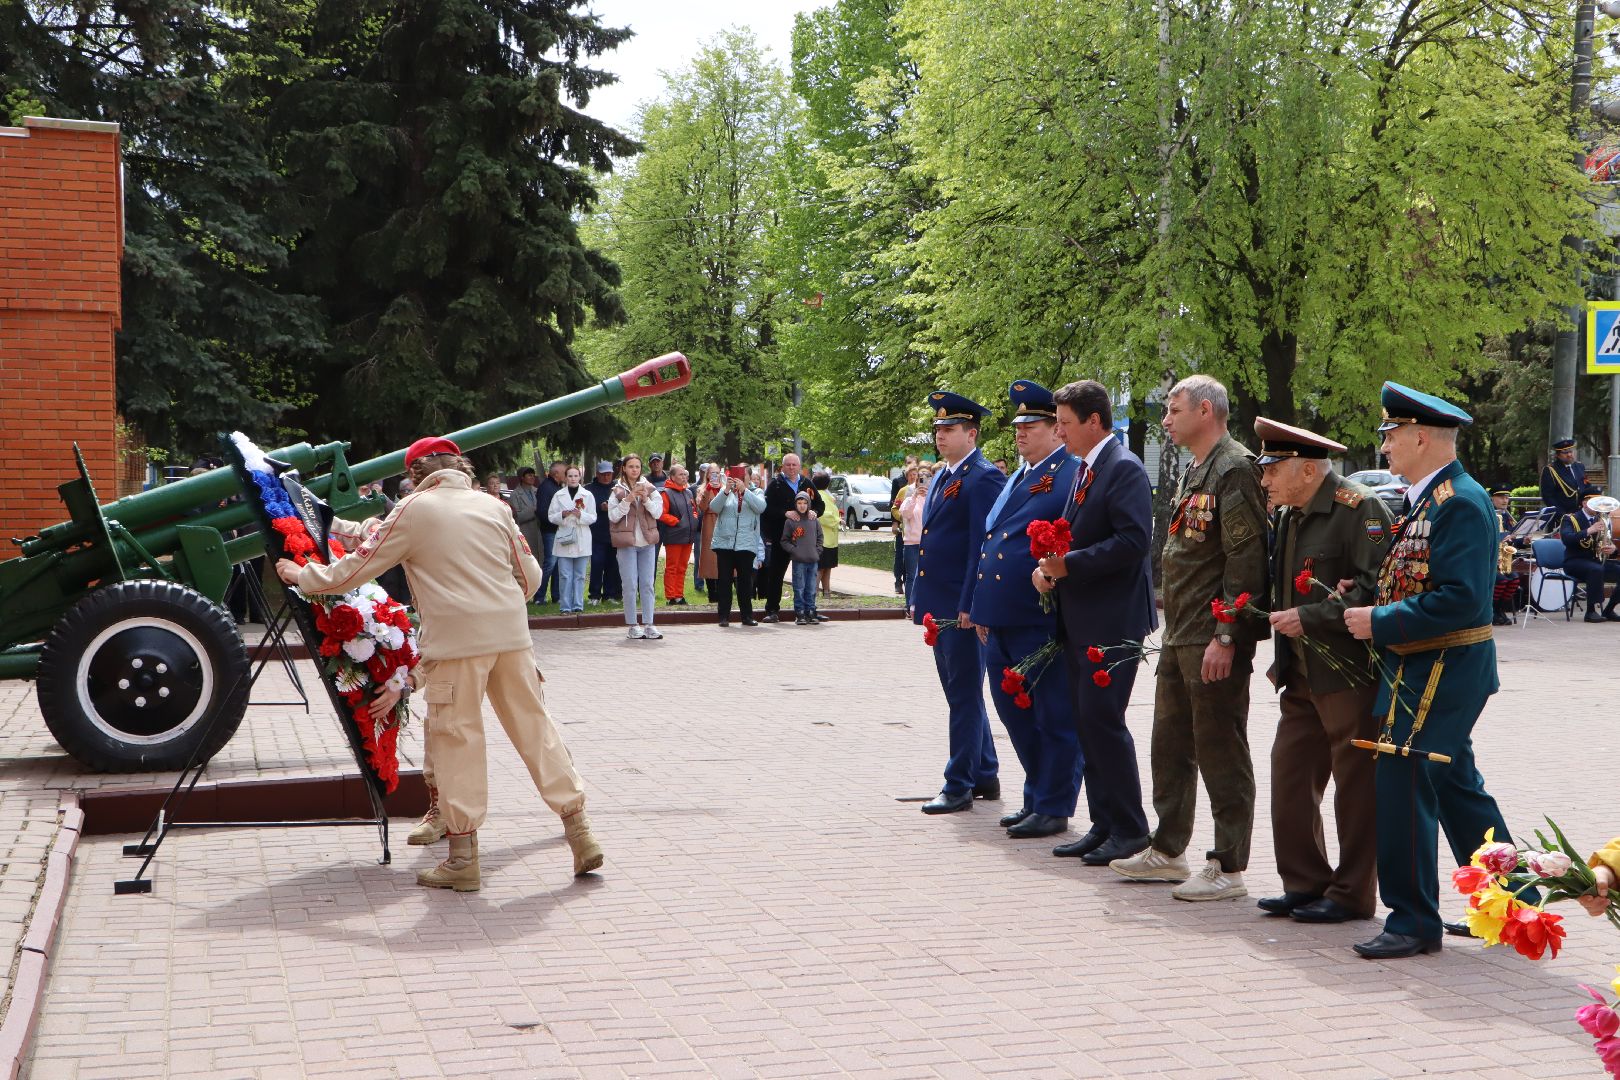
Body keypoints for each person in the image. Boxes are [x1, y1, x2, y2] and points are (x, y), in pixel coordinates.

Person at [276, 435, 602, 889]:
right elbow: (529, 577)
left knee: (458, 742)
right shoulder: (494, 507)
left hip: (455, 645)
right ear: (459, 467)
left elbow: (352, 570)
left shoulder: (414, 510)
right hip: (512, 638)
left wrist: (302, 576)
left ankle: (463, 859)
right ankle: (580, 834)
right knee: (536, 730)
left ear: (414, 475)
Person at [1342, 382, 1522, 959]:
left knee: (1404, 782)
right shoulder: (1433, 495)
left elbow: (1462, 599)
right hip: (1426, 662)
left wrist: (1381, 619)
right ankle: (1510, 900)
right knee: (1455, 784)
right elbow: (1418, 578)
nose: (1386, 445)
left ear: (1421, 436)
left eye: (1391, 433)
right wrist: (1371, 598)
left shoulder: (1458, 502)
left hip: (1442, 664)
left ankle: (1412, 919)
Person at [1111, 374, 1267, 902]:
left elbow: (1245, 565)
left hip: (1211, 636)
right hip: (1181, 634)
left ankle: (1228, 864)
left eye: (1174, 410)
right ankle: (1169, 849)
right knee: (1170, 745)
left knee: (1220, 747)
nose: (1166, 420)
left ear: (1206, 410)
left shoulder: (1235, 467)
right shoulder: (1194, 467)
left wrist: (1227, 636)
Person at [1251, 416, 1389, 925]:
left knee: (1356, 789)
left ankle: (1352, 893)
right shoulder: (1290, 513)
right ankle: (1305, 883)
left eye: (1272, 469)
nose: (1265, 480)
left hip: (1347, 676)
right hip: (1302, 674)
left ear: (1308, 470)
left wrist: (1308, 617)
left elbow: (1379, 591)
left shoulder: (1359, 509)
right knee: (1290, 778)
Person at [1035, 380, 1154, 867]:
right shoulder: (1087, 467)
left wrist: (1070, 566)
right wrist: (1047, 568)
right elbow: (1075, 536)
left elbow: (1132, 542)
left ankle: (1130, 829)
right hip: (1082, 617)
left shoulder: (1123, 468)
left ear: (1095, 421)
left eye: (1064, 423)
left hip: (1112, 620)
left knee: (1104, 722)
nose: (1059, 432)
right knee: (1087, 723)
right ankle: (1104, 823)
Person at [971, 381, 1081, 840]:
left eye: (1031, 425)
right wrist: (979, 608)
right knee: (1012, 710)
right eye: (1018, 425)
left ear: (1057, 430)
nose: (1021, 433)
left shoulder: (1068, 473)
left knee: (1051, 714)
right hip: (1003, 613)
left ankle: (1054, 804)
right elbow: (992, 542)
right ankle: (1037, 795)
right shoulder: (1022, 473)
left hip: (1038, 614)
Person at [913, 391, 1002, 814]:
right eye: (938, 430)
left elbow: (981, 548)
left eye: (950, 430)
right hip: (941, 602)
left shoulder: (981, 477)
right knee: (958, 691)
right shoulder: (949, 474)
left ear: (972, 433)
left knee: (964, 693)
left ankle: (959, 783)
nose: (941, 436)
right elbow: (930, 541)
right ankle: (983, 770)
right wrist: (919, 596)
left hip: (960, 606)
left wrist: (971, 603)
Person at [608, 454, 663, 640]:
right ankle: (632, 625)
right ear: (624, 468)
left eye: (637, 466)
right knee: (630, 584)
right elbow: (613, 516)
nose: (634, 470)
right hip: (627, 544)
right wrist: (628, 499)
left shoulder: (651, 488)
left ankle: (649, 624)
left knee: (647, 584)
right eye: (630, 466)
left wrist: (646, 499)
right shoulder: (616, 490)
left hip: (647, 543)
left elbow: (658, 512)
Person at [709, 466, 765, 626]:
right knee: (724, 581)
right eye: (735, 476)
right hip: (724, 542)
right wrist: (726, 490)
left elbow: (760, 507)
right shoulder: (725, 491)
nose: (738, 479)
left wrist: (744, 491)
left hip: (746, 543)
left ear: (748, 477)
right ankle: (724, 616)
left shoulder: (756, 492)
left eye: (742, 475)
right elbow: (714, 507)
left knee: (745, 581)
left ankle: (747, 616)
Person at [759, 454, 812, 622]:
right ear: (782, 467)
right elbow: (766, 509)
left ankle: (806, 610)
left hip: (805, 540)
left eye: (794, 464)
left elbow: (819, 505)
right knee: (776, 574)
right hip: (782, 537)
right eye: (788, 465)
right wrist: (784, 513)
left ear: (799, 466)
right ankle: (772, 610)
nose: (791, 467)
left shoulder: (806, 483)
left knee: (806, 576)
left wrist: (814, 511)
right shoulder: (775, 485)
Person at [1560, 484, 1620, 623]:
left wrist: (1612, 549)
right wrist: (1589, 530)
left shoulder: (1603, 519)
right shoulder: (1570, 518)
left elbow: (1607, 541)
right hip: (1575, 561)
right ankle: (1591, 611)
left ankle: (1609, 609)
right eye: (1595, 502)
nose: (1599, 506)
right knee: (1595, 569)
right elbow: (1567, 539)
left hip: (1596, 561)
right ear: (1585, 503)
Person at [548, 465, 596, 614]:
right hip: (565, 536)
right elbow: (551, 516)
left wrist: (580, 515)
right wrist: (563, 514)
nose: (573, 478)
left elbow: (593, 517)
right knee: (565, 574)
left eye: (576, 476)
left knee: (580, 575)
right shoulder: (558, 495)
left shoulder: (587, 495)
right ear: (566, 478)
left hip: (582, 537)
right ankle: (565, 606)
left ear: (580, 477)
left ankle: (578, 605)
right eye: (570, 476)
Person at [780, 490, 825, 624]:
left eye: (805, 503)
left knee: (811, 587)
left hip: (813, 560)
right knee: (799, 587)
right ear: (795, 504)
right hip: (799, 560)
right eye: (799, 503)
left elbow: (820, 537)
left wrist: (818, 550)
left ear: (809, 504)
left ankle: (810, 611)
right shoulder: (791, 521)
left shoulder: (813, 519)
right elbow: (784, 540)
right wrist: (794, 551)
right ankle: (799, 613)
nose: (802, 506)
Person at [656, 464, 699, 605]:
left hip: (688, 535)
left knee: (682, 567)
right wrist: (677, 522)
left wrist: (694, 518)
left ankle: (679, 595)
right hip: (674, 535)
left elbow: (693, 509)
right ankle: (671, 596)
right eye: (680, 475)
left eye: (685, 474)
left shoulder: (688, 492)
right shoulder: (666, 493)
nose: (684, 477)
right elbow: (661, 514)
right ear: (672, 477)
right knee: (672, 567)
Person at [585, 461, 622, 604]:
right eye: (603, 474)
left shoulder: (617, 488)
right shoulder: (589, 489)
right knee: (597, 564)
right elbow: (584, 508)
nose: (606, 477)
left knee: (612, 565)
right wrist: (600, 507)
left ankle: (610, 594)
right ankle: (594, 595)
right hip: (596, 533)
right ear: (597, 474)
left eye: (609, 474)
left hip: (614, 532)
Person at [509, 467, 544, 602]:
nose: (532, 477)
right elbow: (516, 515)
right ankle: (525, 594)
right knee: (527, 561)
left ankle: (539, 595)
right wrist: (533, 510)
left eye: (533, 475)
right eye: (528, 475)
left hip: (539, 530)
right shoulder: (515, 494)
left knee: (540, 561)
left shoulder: (537, 491)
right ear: (522, 477)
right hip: (526, 530)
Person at [898, 470, 928, 616]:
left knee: (928, 575)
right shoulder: (910, 498)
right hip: (912, 543)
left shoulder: (933, 498)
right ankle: (910, 605)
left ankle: (925, 605)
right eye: (920, 480)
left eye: (927, 480)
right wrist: (915, 496)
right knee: (911, 576)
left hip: (928, 543)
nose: (923, 484)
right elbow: (905, 513)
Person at [535, 461, 565, 605]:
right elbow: (542, 512)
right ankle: (539, 597)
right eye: (564, 472)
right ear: (556, 473)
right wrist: (559, 519)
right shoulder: (547, 488)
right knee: (550, 563)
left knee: (557, 565)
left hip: (558, 531)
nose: (566, 475)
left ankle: (556, 596)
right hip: (550, 531)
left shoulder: (556, 487)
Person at [696, 465, 724, 601]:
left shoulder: (725, 487)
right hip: (709, 523)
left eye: (717, 473)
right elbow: (702, 507)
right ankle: (712, 593)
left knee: (723, 558)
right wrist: (708, 489)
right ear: (707, 475)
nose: (715, 476)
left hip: (724, 523)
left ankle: (723, 592)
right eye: (713, 473)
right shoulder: (702, 489)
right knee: (709, 559)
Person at [890, 456, 917, 595]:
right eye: (911, 475)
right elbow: (894, 507)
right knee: (900, 557)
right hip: (905, 530)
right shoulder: (902, 488)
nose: (913, 477)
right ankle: (898, 581)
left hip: (918, 532)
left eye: (915, 474)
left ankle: (910, 586)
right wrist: (899, 519)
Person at [1540, 438, 1586, 517]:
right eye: (1565, 452)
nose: (1569, 455)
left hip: (1581, 514)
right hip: (1562, 516)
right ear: (1558, 455)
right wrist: (1562, 514)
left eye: (1571, 451)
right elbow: (1548, 497)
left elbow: (1586, 486)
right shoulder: (1551, 470)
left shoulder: (1579, 466)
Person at [814, 472, 840, 601]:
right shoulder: (821, 496)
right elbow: (824, 516)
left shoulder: (825, 496)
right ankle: (815, 593)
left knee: (827, 567)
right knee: (820, 568)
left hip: (829, 540)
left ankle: (826, 592)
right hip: (824, 540)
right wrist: (837, 520)